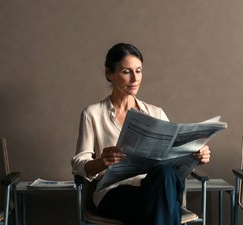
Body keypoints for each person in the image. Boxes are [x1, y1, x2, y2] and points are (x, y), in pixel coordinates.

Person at [71, 43, 211, 225]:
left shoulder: (156, 113)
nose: (134, 78)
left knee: (164, 175)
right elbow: (79, 165)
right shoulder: (93, 114)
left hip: (155, 187)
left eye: (138, 71)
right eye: (126, 72)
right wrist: (102, 162)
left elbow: (174, 156)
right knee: (164, 205)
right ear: (109, 74)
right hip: (115, 193)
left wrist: (196, 154)